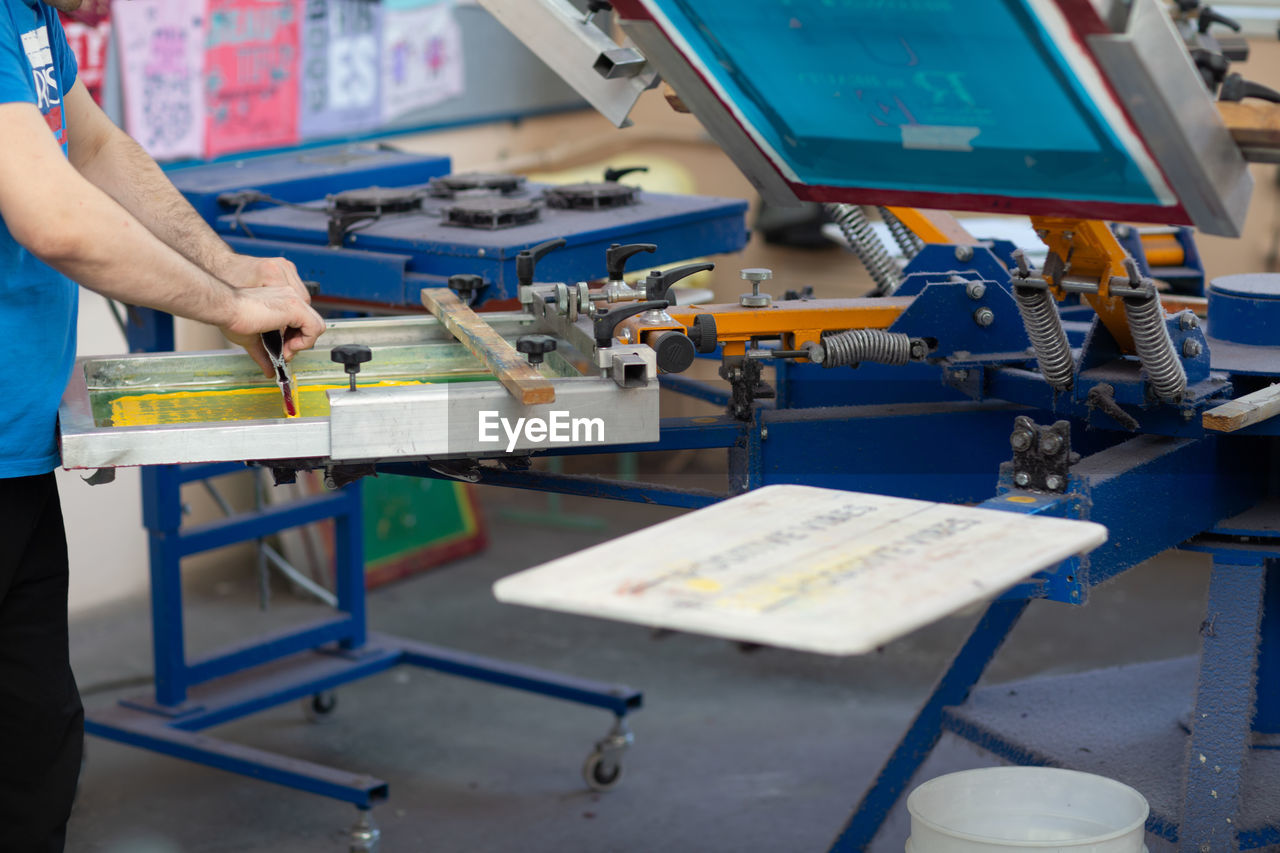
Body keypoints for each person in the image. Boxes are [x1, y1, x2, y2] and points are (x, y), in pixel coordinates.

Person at [0, 1, 326, 849]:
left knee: (34, 745)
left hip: (14, 453)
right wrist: (226, 304)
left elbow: (98, 149)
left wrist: (233, 270)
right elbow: (57, 218)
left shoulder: (30, 11)